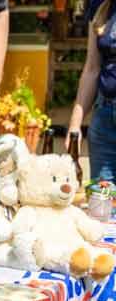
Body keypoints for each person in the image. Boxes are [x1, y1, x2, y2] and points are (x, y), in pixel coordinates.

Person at [69, 0, 116, 182]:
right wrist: (75, 125)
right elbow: (92, 68)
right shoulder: (100, 3)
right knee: (101, 203)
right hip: (104, 119)